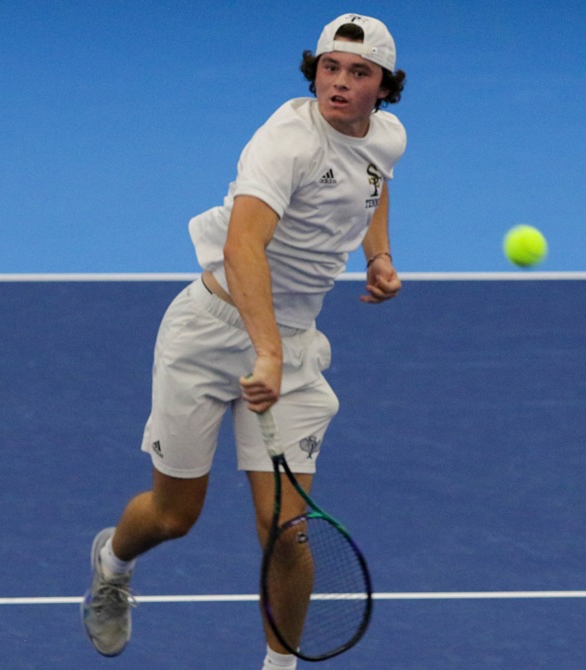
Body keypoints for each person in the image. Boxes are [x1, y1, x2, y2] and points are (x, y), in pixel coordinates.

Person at [81, 13, 407, 669]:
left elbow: (372, 189)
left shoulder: (387, 138)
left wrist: (378, 256)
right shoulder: (283, 142)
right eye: (328, 68)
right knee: (175, 516)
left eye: (357, 72)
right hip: (210, 333)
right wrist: (266, 350)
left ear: (384, 86)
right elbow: (242, 245)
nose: (338, 83)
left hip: (287, 344)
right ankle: (112, 561)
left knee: (286, 528)